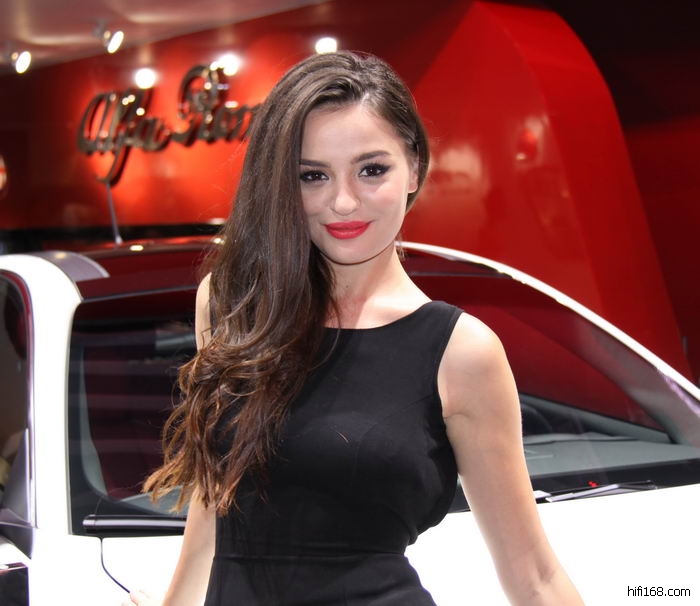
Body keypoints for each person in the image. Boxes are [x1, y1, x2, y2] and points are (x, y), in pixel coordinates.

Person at [124, 50, 584, 606]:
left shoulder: (460, 352)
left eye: (372, 170)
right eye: (313, 176)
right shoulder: (231, 307)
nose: (343, 202)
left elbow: (534, 576)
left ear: (414, 168)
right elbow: (217, 499)